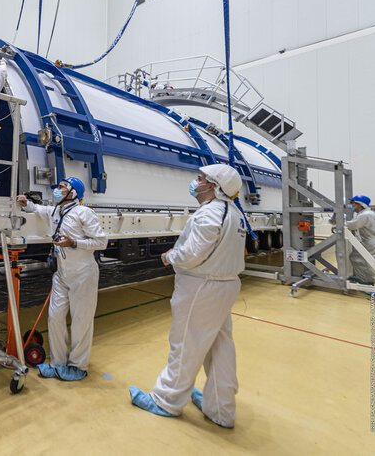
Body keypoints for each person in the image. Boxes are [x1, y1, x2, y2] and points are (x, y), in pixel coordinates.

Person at [129, 164, 247, 429]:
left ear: (213, 187)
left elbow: (193, 254)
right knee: (220, 347)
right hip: (223, 285)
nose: (195, 182)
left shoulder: (211, 214)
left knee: (185, 343)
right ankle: (220, 408)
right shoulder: (233, 213)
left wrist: (170, 256)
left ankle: (166, 400)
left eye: (200, 178)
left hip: (202, 287)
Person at [16, 177, 108, 381]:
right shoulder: (56, 211)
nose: (56, 190)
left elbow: (101, 242)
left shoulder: (84, 213)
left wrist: (74, 243)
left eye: (61, 187)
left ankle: (78, 366)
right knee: (55, 317)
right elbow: (39, 210)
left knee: (80, 322)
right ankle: (57, 363)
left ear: (73, 193)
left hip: (83, 274)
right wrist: (26, 203)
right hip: (62, 274)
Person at [346, 195, 375, 285]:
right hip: (369, 241)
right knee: (357, 257)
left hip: (371, 242)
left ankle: (371, 283)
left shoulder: (365, 215)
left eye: (353, 203)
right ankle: (365, 279)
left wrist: (339, 223)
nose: (351, 205)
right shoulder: (365, 213)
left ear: (360, 204)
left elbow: (352, 225)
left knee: (369, 262)